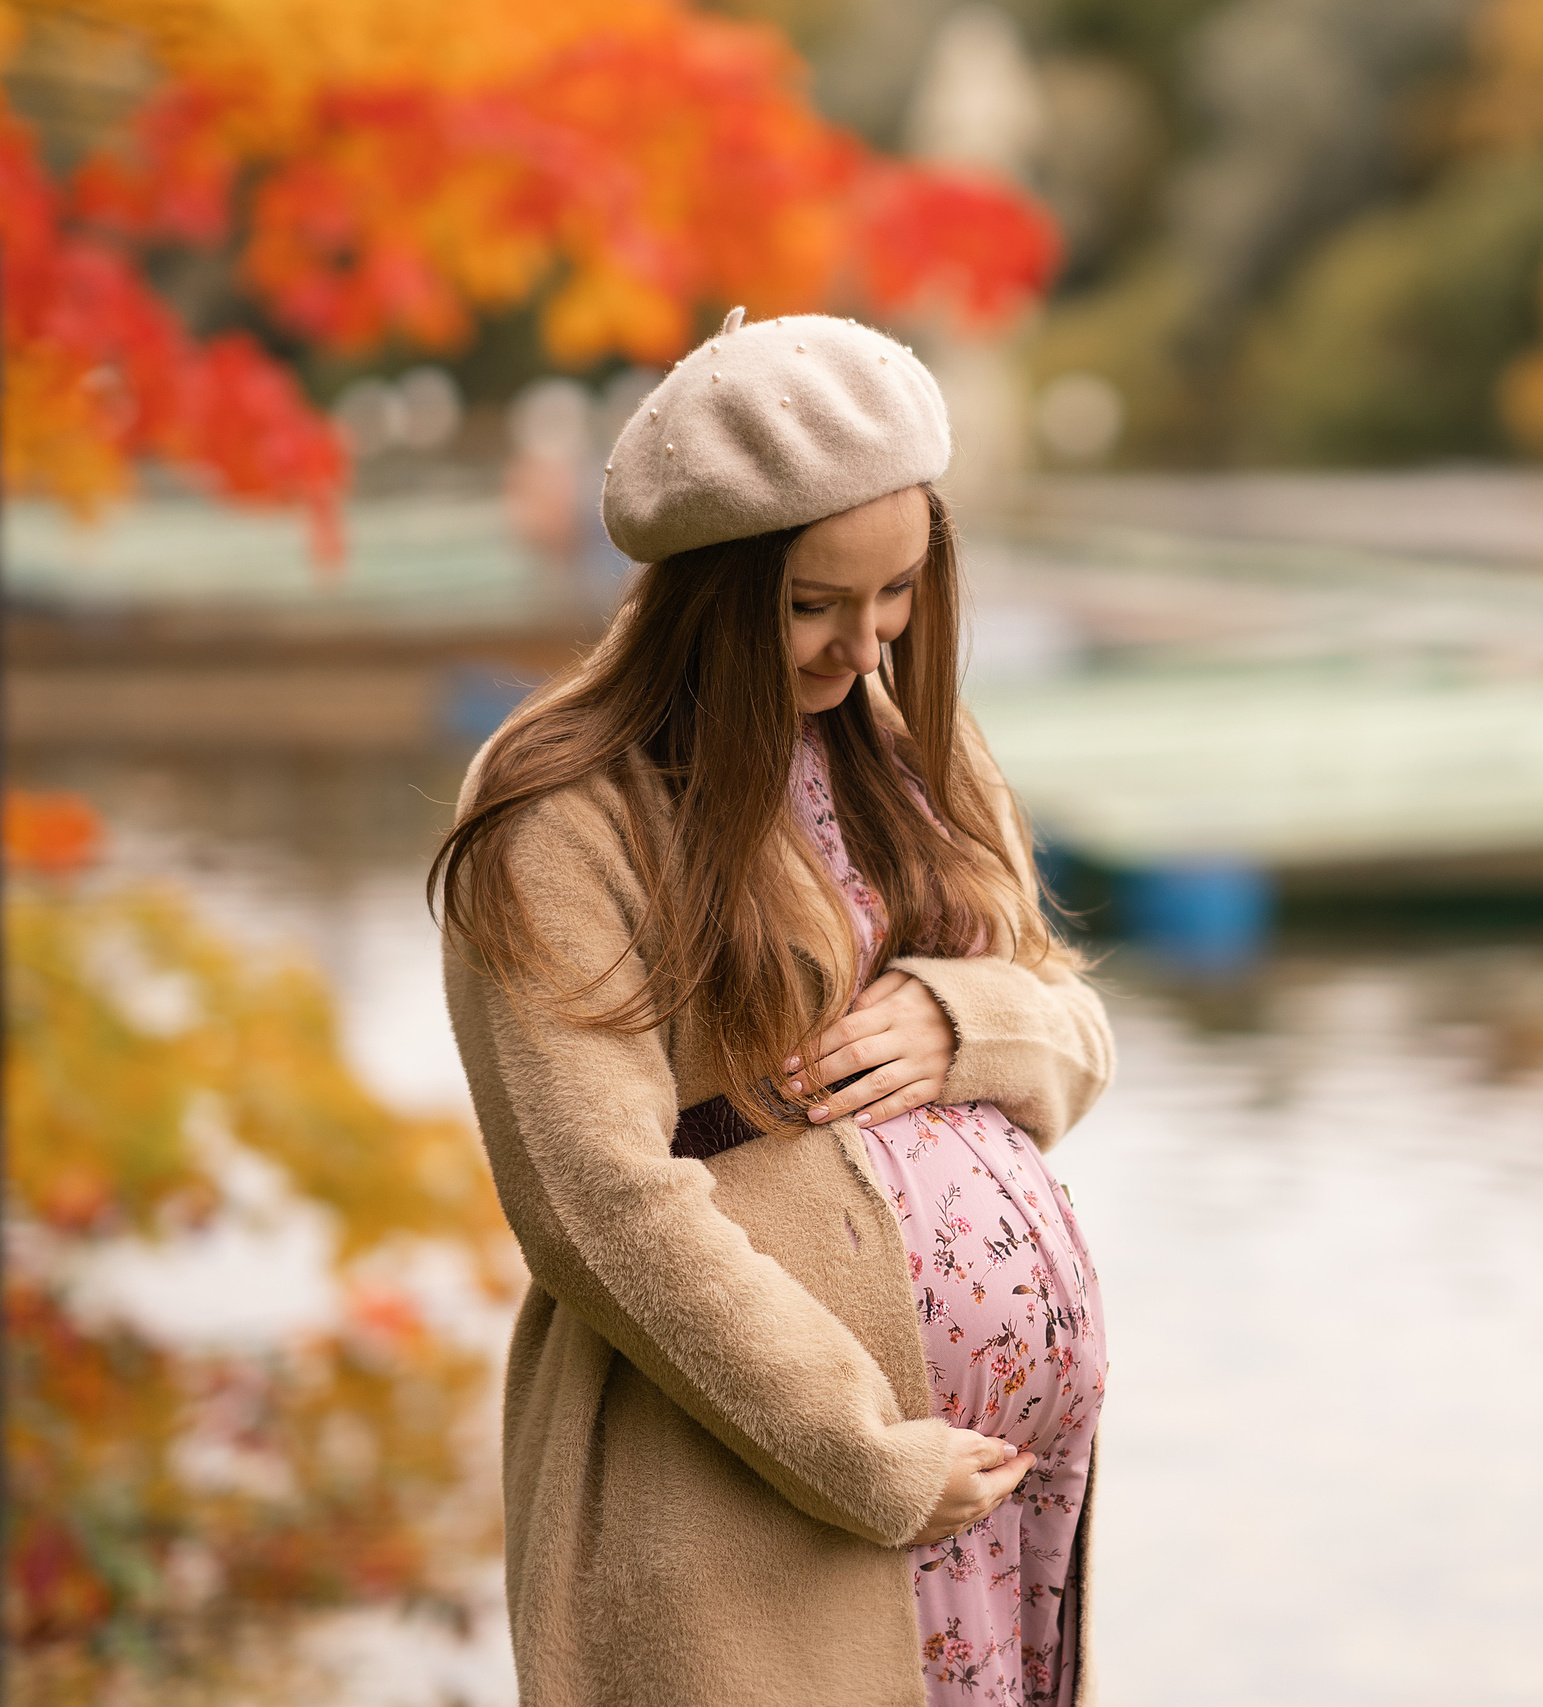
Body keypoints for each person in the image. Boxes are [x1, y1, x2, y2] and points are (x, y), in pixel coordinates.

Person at [434, 308, 1114, 1707]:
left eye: (899, 592)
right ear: (708, 588)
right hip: (762, 1500)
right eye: (813, 604)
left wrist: (967, 1024)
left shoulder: (907, 748)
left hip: (991, 1523)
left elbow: (1079, 1029)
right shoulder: (564, 813)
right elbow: (598, 1203)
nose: (863, 645)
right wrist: (863, 1452)